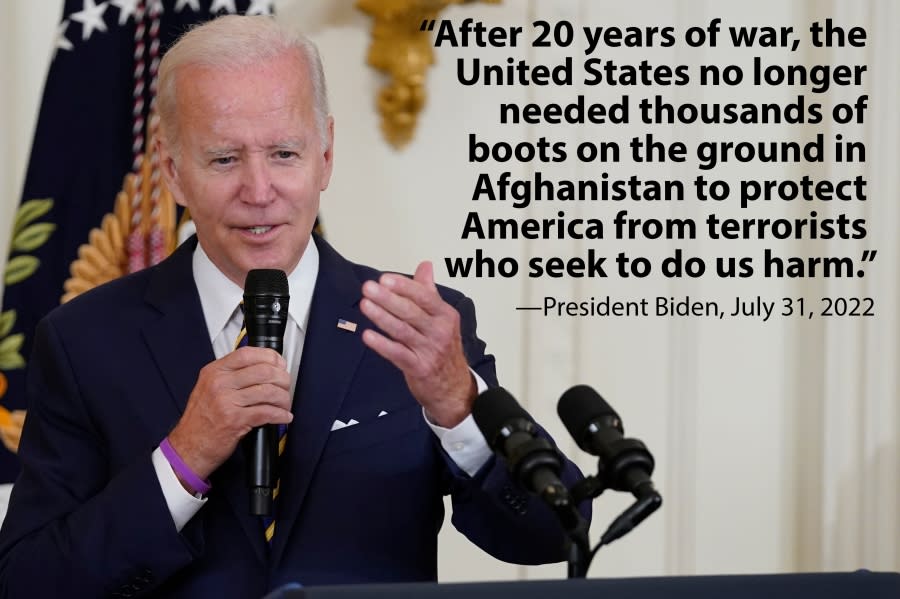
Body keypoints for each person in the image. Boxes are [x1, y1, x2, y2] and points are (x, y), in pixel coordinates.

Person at [0, 15, 586, 597]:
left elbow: (554, 534)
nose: (259, 191)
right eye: (224, 159)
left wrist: (460, 407)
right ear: (174, 172)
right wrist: (182, 460)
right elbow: (29, 582)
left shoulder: (417, 326)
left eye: (284, 153)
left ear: (325, 156)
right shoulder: (84, 340)